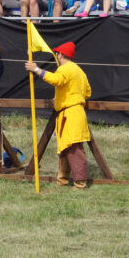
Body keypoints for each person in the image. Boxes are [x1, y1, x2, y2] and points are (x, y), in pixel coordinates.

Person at [24, 42, 91, 188]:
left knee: (74, 150)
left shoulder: (66, 69)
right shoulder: (79, 71)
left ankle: (80, 183)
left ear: (60, 55)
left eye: (57, 54)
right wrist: (63, 98)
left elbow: (56, 80)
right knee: (66, 148)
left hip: (71, 114)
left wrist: (36, 69)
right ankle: (63, 180)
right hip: (74, 112)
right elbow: (87, 92)